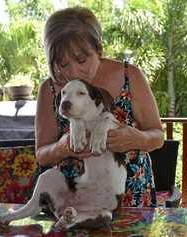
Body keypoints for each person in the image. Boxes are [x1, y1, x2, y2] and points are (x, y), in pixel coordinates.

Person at [35, 6, 163, 208]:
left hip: (132, 198)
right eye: (63, 64)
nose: (73, 72)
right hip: (74, 201)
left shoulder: (131, 76)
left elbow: (157, 136)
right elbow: (42, 154)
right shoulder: (49, 89)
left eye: (81, 60)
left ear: (99, 49)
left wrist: (135, 138)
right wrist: (62, 147)